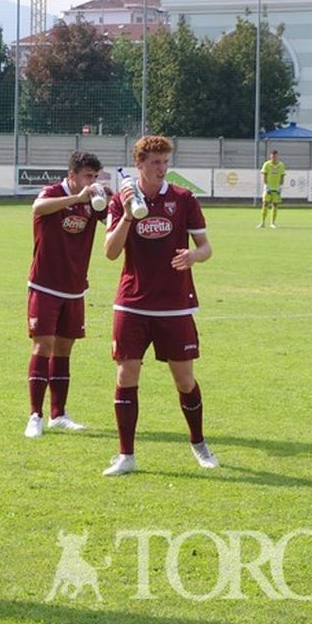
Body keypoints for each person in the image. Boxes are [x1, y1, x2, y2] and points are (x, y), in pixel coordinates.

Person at [101, 135, 219, 476]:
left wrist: (193, 255)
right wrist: (127, 215)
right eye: (155, 162)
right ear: (138, 164)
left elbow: (206, 248)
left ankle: (199, 443)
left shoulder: (183, 199)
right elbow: (110, 253)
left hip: (175, 305)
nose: (162, 168)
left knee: (184, 380)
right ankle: (126, 455)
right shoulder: (122, 200)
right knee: (126, 374)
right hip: (132, 302)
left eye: (166, 162)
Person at [24, 151, 108, 438]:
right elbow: (37, 208)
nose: (92, 182)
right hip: (45, 285)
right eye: (87, 176)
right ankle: (35, 416)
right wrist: (76, 198)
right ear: (72, 176)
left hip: (74, 288)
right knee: (43, 346)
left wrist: (117, 200)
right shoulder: (53, 193)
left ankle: (58, 414)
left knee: (64, 350)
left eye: (95, 177)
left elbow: (113, 220)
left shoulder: (93, 200)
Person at [258, 149, 286, 228]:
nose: (274, 158)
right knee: (265, 203)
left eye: (275, 156)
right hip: (268, 188)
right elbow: (264, 175)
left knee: (275, 205)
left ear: (277, 156)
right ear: (270, 156)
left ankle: (273, 223)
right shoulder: (267, 164)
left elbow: (282, 176)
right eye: (273, 156)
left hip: (276, 188)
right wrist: (266, 186)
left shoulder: (281, 165)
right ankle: (262, 222)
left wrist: (280, 186)